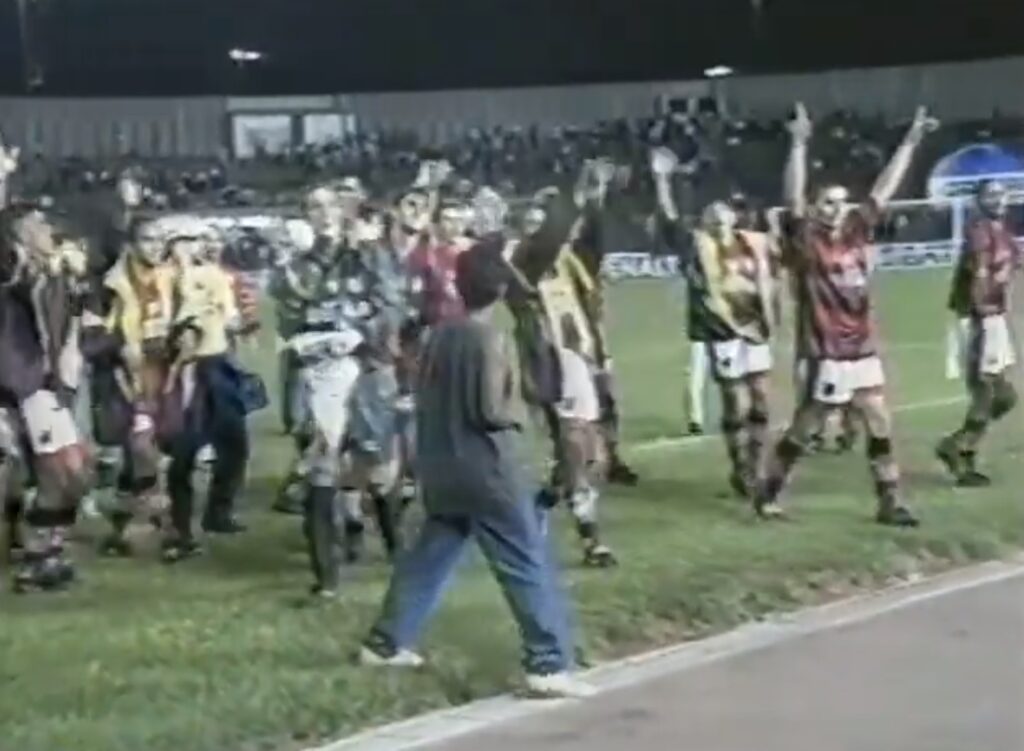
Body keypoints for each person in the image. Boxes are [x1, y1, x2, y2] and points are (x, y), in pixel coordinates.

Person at [360, 244, 592, 699]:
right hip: (487, 469)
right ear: (500, 289)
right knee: (526, 560)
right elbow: (491, 408)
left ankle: (387, 641)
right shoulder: (490, 340)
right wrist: (522, 415)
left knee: (430, 557)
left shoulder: (436, 338)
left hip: (441, 464)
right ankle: (547, 661)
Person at [755, 103, 935, 526]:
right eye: (827, 203)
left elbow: (884, 188)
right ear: (816, 208)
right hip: (826, 350)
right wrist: (798, 143)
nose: (836, 209)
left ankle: (890, 501)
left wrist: (910, 141)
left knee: (878, 418)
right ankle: (769, 491)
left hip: (861, 344)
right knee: (807, 425)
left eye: (841, 202)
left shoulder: (857, 230)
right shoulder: (806, 238)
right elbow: (792, 196)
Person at [0, 204, 93, 591]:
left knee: (72, 472)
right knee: (55, 471)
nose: (46, 231)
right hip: (20, 383)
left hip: (46, 383)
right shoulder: (13, 271)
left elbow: (70, 316)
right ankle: (36, 559)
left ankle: (47, 553)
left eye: (45, 224)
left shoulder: (53, 272)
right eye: (34, 226)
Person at [160, 226, 255, 562]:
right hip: (187, 371)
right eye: (183, 243)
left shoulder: (211, 275)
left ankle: (217, 512)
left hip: (217, 365)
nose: (191, 248)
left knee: (234, 445)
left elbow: (231, 319)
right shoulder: (166, 279)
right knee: (183, 452)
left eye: (193, 242)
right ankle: (180, 528)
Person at [689, 198, 777, 497]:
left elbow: (767, 277)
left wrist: (768, 316)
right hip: (724, 332)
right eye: (711, 218)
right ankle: (740, 467)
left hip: (755, 330)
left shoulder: (751, 244)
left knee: (762, 400)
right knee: (736, 404)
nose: (718, 223)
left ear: (733, 219)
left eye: (723, 218)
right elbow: (669, 224)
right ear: (704, 223)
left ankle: (756, 465)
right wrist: (663, 184)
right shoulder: (699, 249)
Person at [936, 179, 1020, 486]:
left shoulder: (1003, 232)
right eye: (990, 194)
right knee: (986, 392)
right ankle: (959, 452)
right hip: (977, 319)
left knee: (1005, 397)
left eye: (1001, 193)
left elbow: (1013, 267)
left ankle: (960, 444)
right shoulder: (980, 233)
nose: (998, 199)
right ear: (979, 200)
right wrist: (981, 317)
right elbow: (979, 277)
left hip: (994, 320)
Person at [651, 146, 708, 436]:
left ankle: (738, 415)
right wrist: (662, 182)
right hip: (701, 319)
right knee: (696, 373)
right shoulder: (693, 243)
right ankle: (696, 419)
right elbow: (669, 213)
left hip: (733, 320)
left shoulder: (732, 243)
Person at [553, 314, 617, 567]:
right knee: (575, 444)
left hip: (579, 354)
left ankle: (549, 495)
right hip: (558, 358)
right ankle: (591, 540)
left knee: (590, 458)